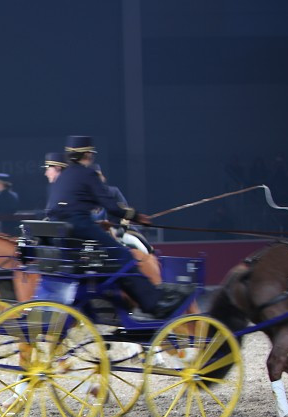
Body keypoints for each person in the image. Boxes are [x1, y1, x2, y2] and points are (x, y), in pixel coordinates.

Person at [46, 135, 184, 317]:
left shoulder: (65, 176)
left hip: (66, 233)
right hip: (81, 228)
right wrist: (136, 216)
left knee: (116, 258)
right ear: (87, 154)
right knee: (124, 256)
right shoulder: (87, 174)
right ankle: (153, 303)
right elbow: (111, 205)